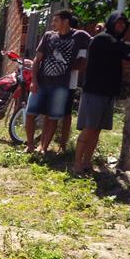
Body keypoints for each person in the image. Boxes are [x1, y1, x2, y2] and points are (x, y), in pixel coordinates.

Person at [73, 12, 130, 174]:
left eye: (124, 24)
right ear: (111, 23)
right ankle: (77, 164)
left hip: (107, 92)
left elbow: (128, 56)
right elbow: (126, 49)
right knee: (89, 128)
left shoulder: (116, 42)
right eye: (118, 23)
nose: (121, 26)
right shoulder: (103, 38)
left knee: (97, 130)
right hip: (95, 91)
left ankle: (87, 163)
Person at [25, 9, 87, 154]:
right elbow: (37, 59)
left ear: (66, 21)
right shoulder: (48, 36)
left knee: (53, 117)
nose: (53, 23)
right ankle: (30, 146)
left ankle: (44, 148)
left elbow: (93, 43)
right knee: (30, 113)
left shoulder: (79, 36)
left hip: (61, 85)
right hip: (42, 82)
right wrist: (33, 81)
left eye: (56, 20)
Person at [58, 16, 91, 153]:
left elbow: (81, 63)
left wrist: (64, 68)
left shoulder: (80, 40)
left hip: (68, 84)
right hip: (54, 82)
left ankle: (63, 144)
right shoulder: (57, 38)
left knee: (65, 114)